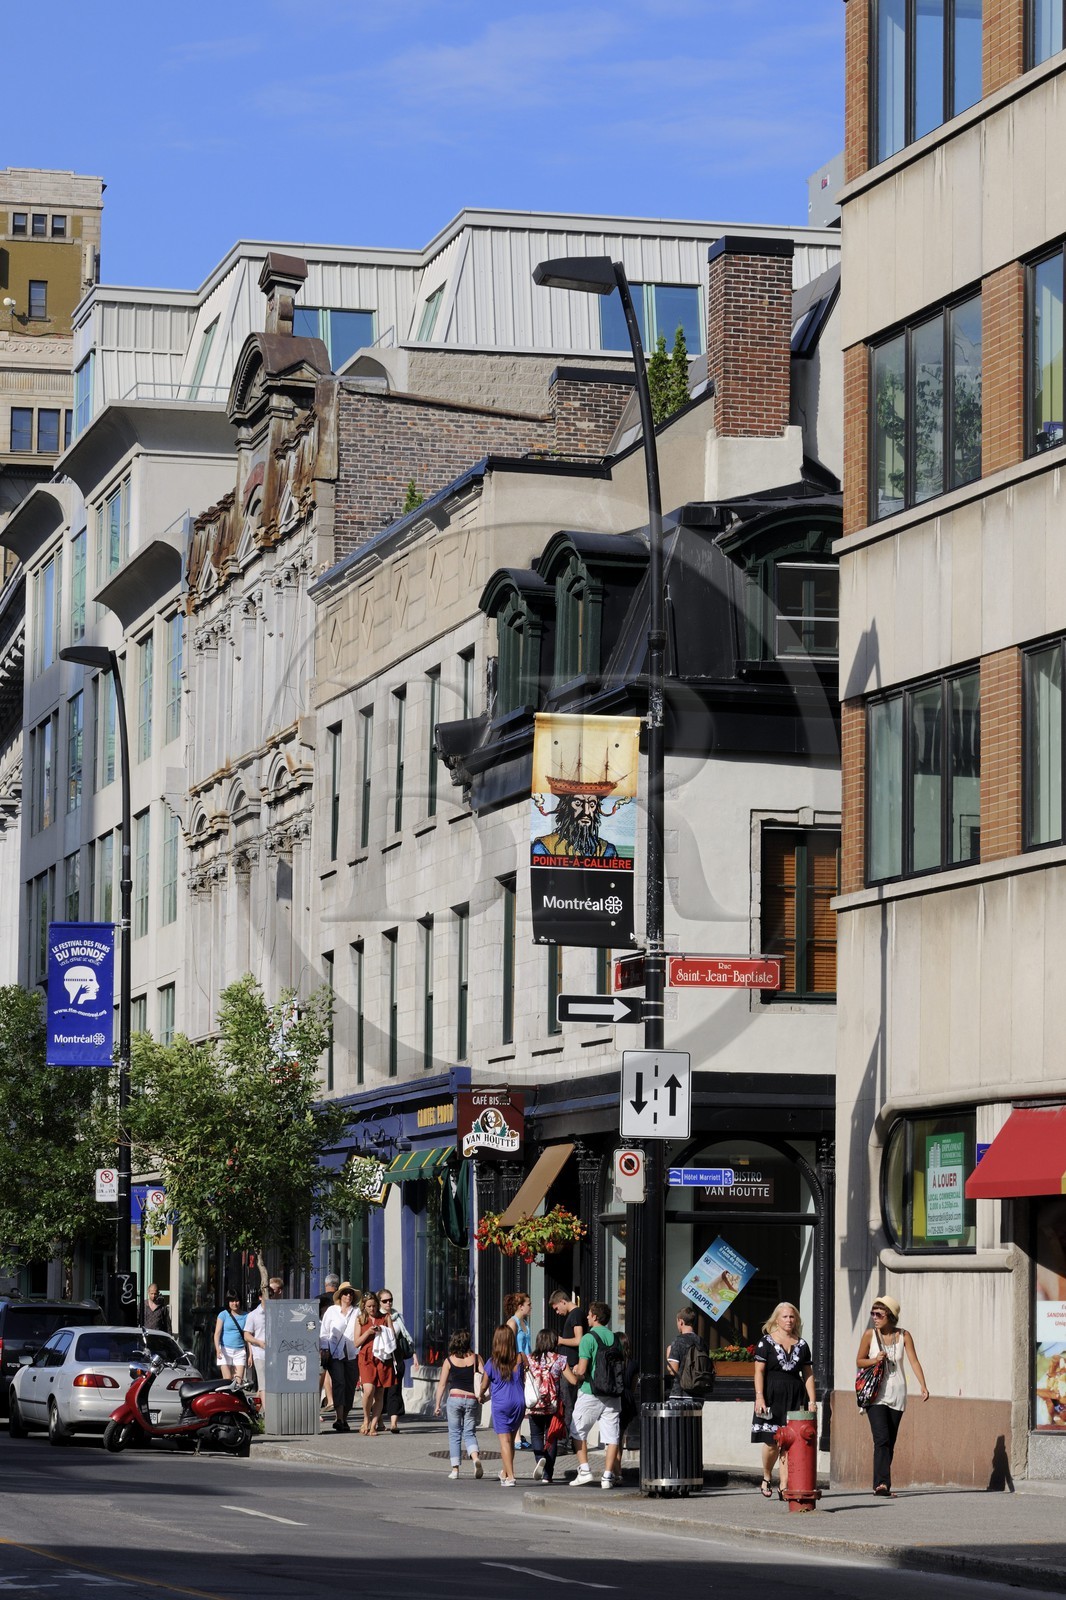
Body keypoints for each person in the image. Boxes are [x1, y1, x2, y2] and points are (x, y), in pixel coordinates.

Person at [856, 1294, 929, 1497]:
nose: (875, 1317)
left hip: (897, 1394)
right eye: (873, 1313)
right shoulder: (870, 1335)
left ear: (890, 1316)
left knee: (890, 1441)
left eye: (879, 1314)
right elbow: (859, 1361)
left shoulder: (904, 1335)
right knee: (881, 1438)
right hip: (875, 1395)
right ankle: (881, 1484)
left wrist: (923, 1385)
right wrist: (874, 1360)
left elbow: (914, 1361)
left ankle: (883, 1481)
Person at [751, 1302, 816, 1499]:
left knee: (790, 1443)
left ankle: (785, 1485)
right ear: (776, 1320)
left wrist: (813, 1400)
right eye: (785, 1317)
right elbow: (759, 1372)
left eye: (792, 1317)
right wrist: (759, 1397)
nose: (789, 1320)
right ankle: (767, 1476)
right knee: (771, 1442)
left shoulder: (802, 1345)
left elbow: (808, 1374)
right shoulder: (765, 1343)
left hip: (795, 1396)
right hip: (771, 1396)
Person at [564, 1299, 622, 1490]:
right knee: (612, 1436)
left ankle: (585, 1470)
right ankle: (607, 1476)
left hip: (591, 1392)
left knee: (577, 1430)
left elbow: (582, 1370)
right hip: (612, 1394)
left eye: (589, 1314)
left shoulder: (588, 1338)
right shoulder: (615, 1338)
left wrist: (573, 1370)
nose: (587, 1316)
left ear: (595, 1317)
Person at [478, 1323, 527, 1487]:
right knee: (511, 1441)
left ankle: (511, 1476)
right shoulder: (520, 1357)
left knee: (505, 1442)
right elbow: (526, 1378)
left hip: (501, 1403)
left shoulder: (492, 1363)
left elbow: (484, 1386)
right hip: (519, 1402)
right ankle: (505, 1472)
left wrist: (481, 1396)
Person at [433, 1329, 485, 1480]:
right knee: (470, 1432)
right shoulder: (476, 1358)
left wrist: (437, 1405)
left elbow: (442, 1385)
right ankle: (475, 1459)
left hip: (454, 1398)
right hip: (471, 1399)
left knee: (454, 1434)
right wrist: (482, 1395)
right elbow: (484, 1378)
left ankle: (455, 1469)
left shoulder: (449, 1361)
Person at [524, 1327, 567, 1484]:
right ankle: (548, 1475)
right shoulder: (560, 1359)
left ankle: (539, 1459)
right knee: (551, 1438)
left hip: (534, 1404)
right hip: (552, 1405)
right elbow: (573, 1380)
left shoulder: (529, 1359)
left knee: (536, 1435)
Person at [320, 1281, 360, 1433]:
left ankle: (345, 1417)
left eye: (350, 1293)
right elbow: (324, 1332)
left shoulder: (357, 1312)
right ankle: (339, 1418)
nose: (348, 1295)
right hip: (335, 1353)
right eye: (345, 1293)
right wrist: (324, 1348)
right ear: (340, 1296)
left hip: (352, 1352)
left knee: (350, 1385)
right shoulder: (331, 1311)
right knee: (339, 1383)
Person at [356, 1289, 395, 1436]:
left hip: (382, 1357)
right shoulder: (360, 1319)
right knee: (368, 1391)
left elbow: (392, 1338)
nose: (372, 1309)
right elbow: (356, 1342)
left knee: (379, 1393)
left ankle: (373, 1425)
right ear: (364, 1307)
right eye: (369, 1306)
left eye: (374, 1306)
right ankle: (366, 1419)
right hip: (366, 1357)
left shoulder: (385, 1317)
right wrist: (368, 1332)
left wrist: (382, 1330)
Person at [379, 1288, 418, 1435]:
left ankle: (394, 1423)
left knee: (395, 1388)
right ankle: (379, 1421)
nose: (388, 1303)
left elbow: (405, 1337)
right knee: (381, 1391)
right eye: (385, 1301)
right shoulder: (376, 1317)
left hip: (396, 1356)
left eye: (390, 1300)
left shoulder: (398, 1317)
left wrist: (413, 1354)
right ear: (379, 1302)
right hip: (381, 1357)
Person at [551, 1288, 584, 1446]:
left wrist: (562, 1341)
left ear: (563, 1301)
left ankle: (565, 1441)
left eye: (557, 1308)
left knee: (568, 1402)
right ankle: (567, 1439)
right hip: (568, 1364)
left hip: (570, 1366)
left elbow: (579, 1340)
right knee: (567, 1402)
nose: (557, 1312)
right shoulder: (574, 1315)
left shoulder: (576, 1314)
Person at [244, 1277, 283, 1402]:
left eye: (271, 1295)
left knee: (272, 1385)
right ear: (260, 1297)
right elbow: (247, 1335)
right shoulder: (253, 1315)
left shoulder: (280, 1312)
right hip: (260, 1354)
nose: (269, 1298)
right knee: (264, 1385)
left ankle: (257, 1408)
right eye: (266, 1295)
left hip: (277, 1353)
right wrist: (259, 1343)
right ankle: (267, 1415)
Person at [505, 1292, 533, 1448]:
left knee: (523, 1402)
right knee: (518, 1401)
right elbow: (509, 1347)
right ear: (520, 1306)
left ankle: (517, 1435)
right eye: (528, 1304)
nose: (530, 1307)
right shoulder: (513, 1323)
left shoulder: (525, 1323)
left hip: (526, 1366)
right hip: (516, 1366)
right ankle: (515, 1438)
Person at [666, 1304, 706, 1398]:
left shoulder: (678, 1341)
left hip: (681, 1394)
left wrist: (668, 1354)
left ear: (681, 1321)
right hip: (699, 1393)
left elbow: (673, 1370)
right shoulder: (702, 1342)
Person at [213, 1290, 249, 1384]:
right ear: (228, 1302)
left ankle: (235, 1398)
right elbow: (217, 1333)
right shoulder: (223, 1314)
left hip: (240, 1351)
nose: (234, 1303)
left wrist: (251, 1355)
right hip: (225, 1350)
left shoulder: (246, 1316)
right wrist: (217, 1349)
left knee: (238, 1381)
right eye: (232, 1301)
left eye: (237, 1301)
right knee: (228, 1379)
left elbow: (248, 1335)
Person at [318, 1273, 340, 1413]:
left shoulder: (319, 1300)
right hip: (337, 1340)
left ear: (326, 1285)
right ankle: (332, 1400)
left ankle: (330, 1399)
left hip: (323, 1340)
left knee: (324, 1371)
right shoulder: (340, 1301)